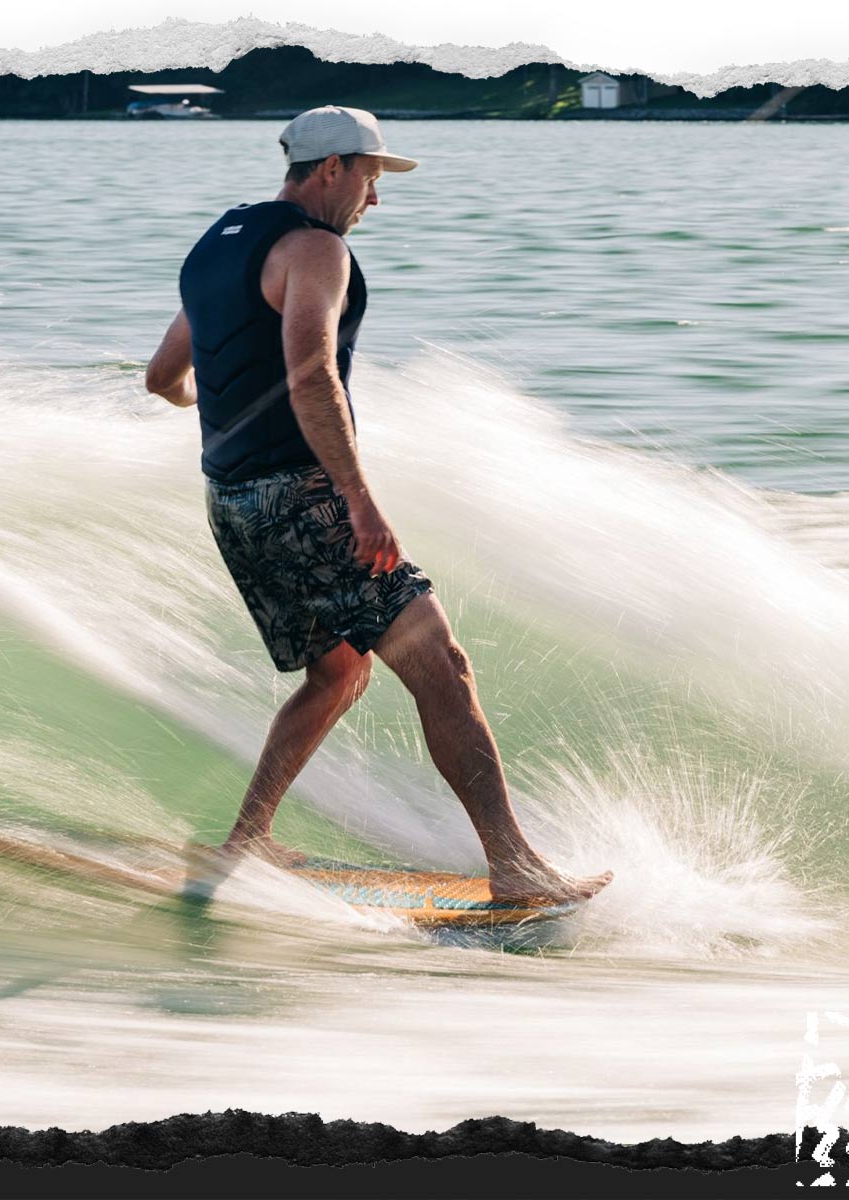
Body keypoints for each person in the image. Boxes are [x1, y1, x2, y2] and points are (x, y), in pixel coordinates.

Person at [145, 106, 610, 905]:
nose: (375, 199)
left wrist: (220, 404)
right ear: (332, 169)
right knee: (442, 664)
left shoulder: (218, 243)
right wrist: (358, 499)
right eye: (370, 177)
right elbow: (311, 374)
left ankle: (248, 841)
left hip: (230, 500)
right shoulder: (317, 249)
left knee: (338, 672)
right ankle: (517, 870)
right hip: (304, 497)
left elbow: (163, 379)